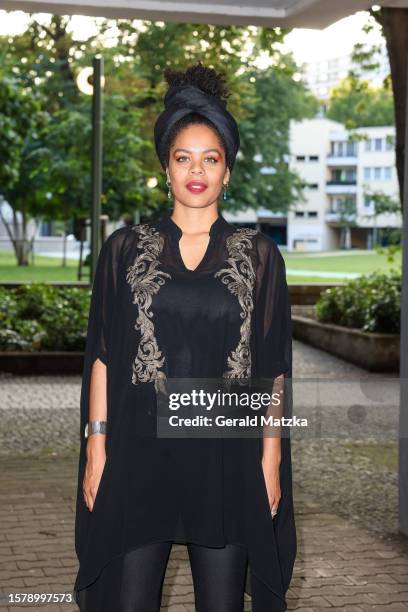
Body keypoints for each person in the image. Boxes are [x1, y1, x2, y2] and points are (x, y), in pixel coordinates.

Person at [73, 61, 297, 612]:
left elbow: (272, 367)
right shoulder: (124, 249)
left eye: (210, 158)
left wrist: (270, 459)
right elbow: (104, 353)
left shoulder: (261, 255)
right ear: (166, 170)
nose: (196, 170)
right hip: (137, 450)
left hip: (226, 457)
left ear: (227, 171)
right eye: (183, 158)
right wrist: (95, 445)